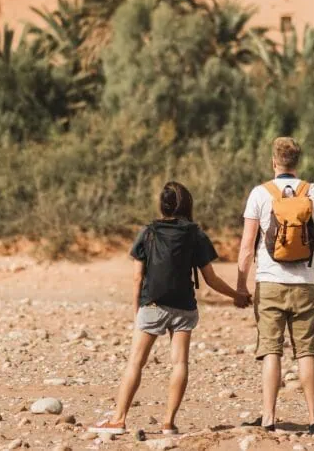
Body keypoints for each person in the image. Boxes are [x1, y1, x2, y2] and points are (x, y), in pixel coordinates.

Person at [90, 182, 249, 438]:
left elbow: (136, 278)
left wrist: (137, 312)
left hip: (152, 304)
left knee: (136, 362)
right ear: (187, 205)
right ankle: (168, 423)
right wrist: (237, 296)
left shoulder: (148, 232)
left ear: (161, 206)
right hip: (184, 306)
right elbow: (211, 278)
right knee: (180, 363)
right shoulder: (195, 234)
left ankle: (118, 419)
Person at [236, 137, 314, 436]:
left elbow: (246, 246)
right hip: (305, 282)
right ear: (297, 162)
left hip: (268, 282)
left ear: (274, 162)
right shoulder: (313, 192)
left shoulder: (260, 193)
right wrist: (308, 247)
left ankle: (268, 417)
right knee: (306, 352)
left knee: (271, 352)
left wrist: (241, 286)